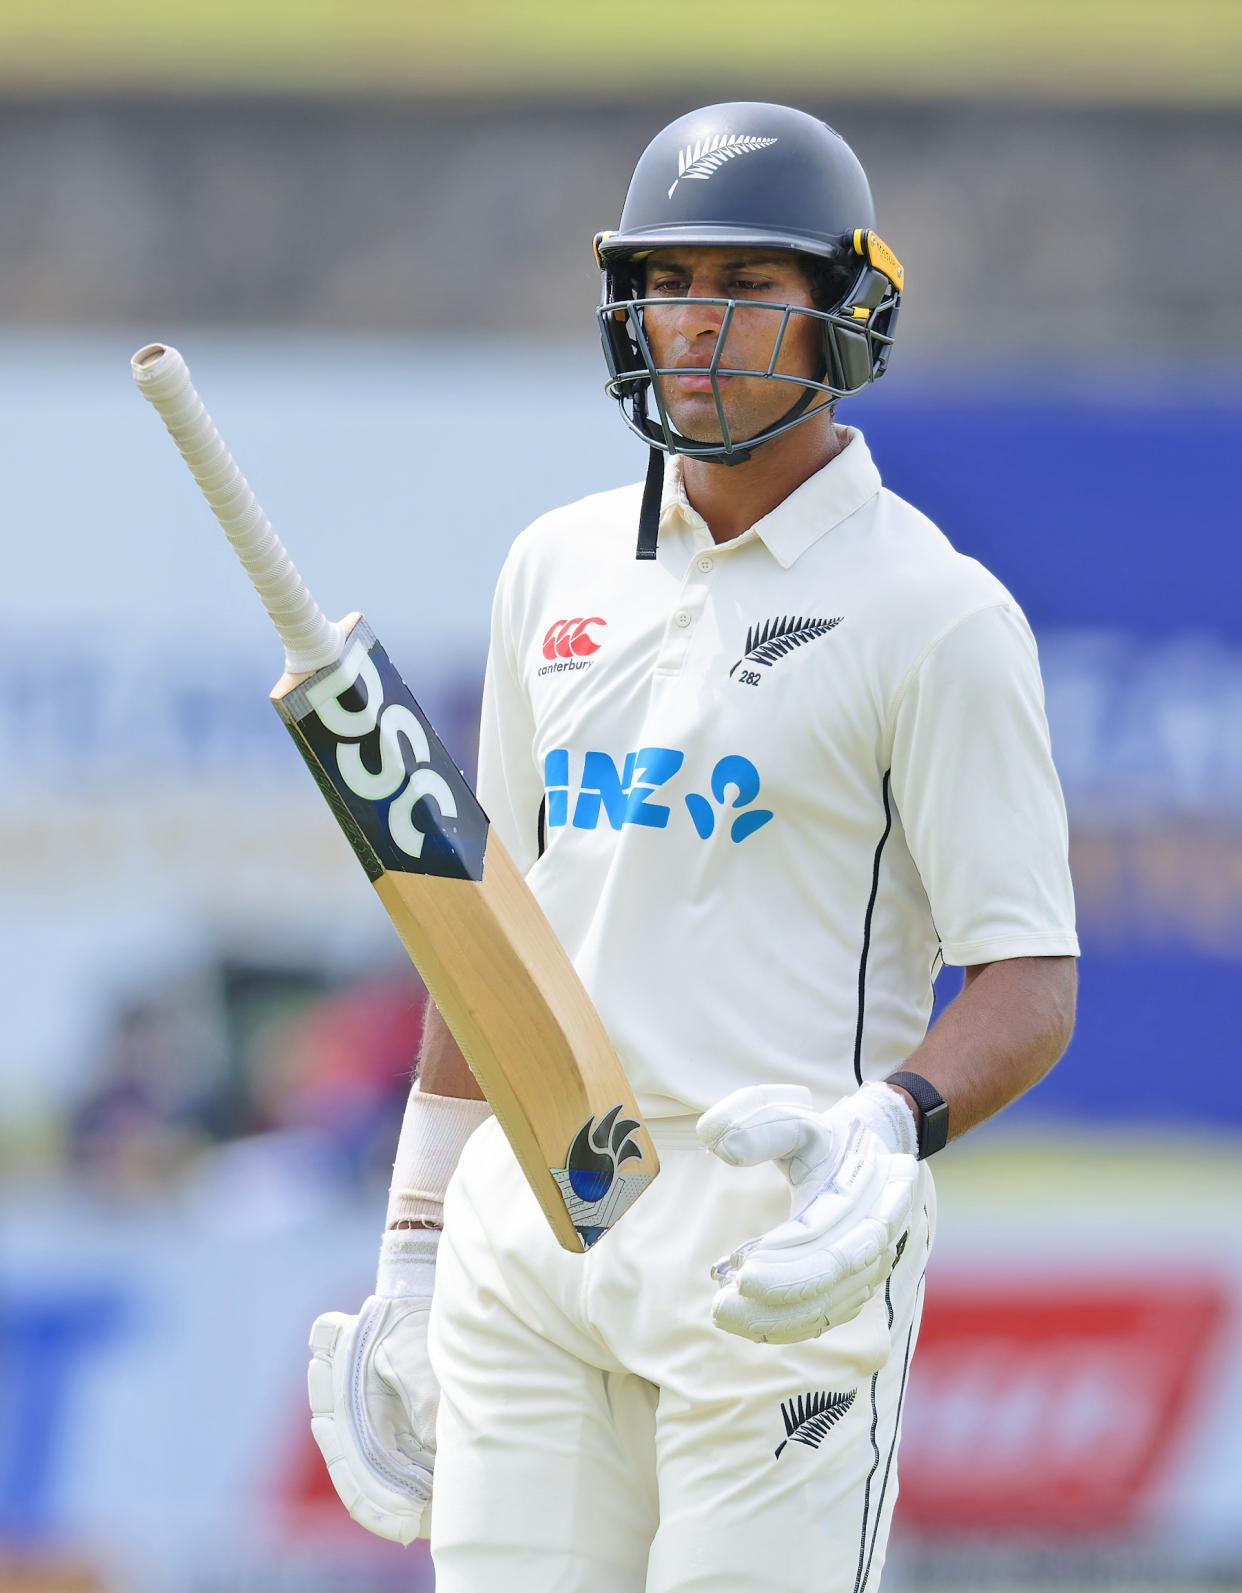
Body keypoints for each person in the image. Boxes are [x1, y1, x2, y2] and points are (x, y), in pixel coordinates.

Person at [306, 102, 1079, 1593]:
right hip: (531, 1234)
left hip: (776, 1246)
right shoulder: (554, 565)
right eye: (668, 283)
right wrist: (413, 1239)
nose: (698, 326)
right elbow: (491, 933)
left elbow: (1027, 980)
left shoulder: (938, 613)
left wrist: (886, 1126)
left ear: (843, 312)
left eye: (745, 287)